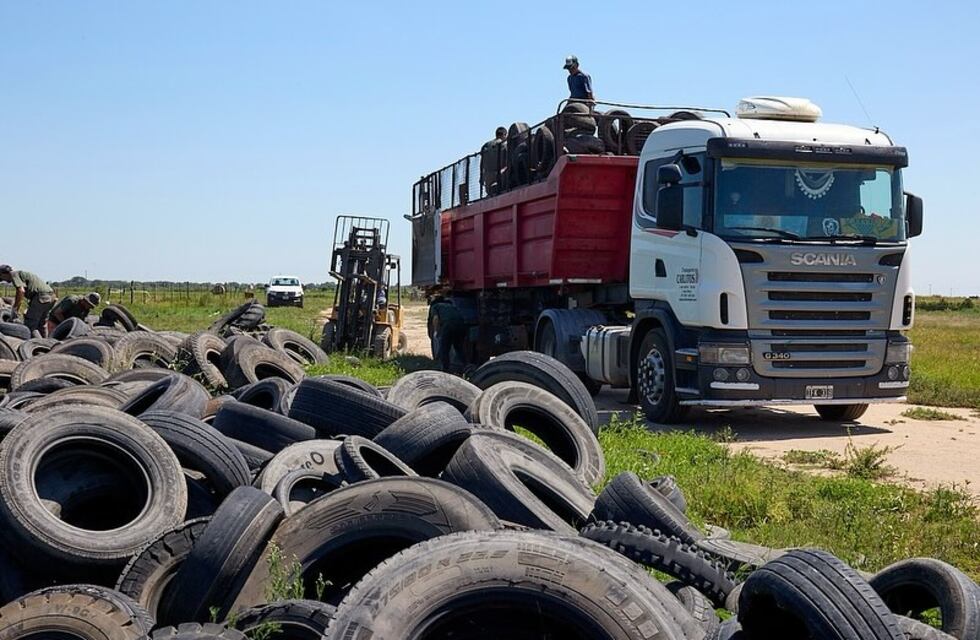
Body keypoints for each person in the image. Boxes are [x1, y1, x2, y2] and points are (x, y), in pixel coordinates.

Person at [0, 265, 56, 336]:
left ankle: (32, 344)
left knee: (29, 325)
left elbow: (21, 291)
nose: (3, 280)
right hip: (51, 296)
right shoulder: (21, 274)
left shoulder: (13, 274)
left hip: (41, 296)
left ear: (4, 273)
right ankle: (46, 343)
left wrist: (15, 308)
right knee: (41, 325)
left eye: (1, 278)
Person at [428, 297, 466, 372]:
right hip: (461, 324)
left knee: (444, 349)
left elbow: (435, 319)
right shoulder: (451, 306)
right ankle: (465, 366)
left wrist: (435, 331)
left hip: (448, 325)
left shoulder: (435, 306)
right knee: (458, 347)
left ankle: (445, 369)